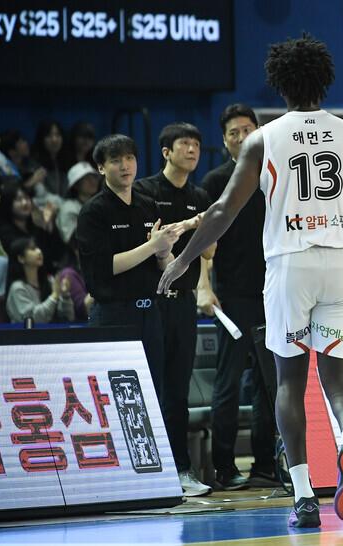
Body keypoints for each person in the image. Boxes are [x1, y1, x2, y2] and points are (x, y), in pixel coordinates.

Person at [158, 35, 343, 528]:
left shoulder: (263, 139)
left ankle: (303, 496)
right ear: (324, 81)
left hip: (291, 265)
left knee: (289, 382)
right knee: (340, 380)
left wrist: (185, 258)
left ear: (279, 85)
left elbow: (222, 211)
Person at [76, 134, 183, 485]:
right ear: (101, 167)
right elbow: (104, 268)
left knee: (152, 394)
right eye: (115, 160)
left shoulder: (148, 205)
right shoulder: (94, 212)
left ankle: (153, 474)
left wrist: (165, 250)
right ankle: (113, 476)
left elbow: (161, 262)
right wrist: (152, 246)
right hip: (113, 315)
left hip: (150, 312)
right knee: (113, 397)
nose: (125, 166)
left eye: (130, 158)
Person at [200, 104, 279, 491]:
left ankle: (265, 464)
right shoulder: (215, 181)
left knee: (269, 383)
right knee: (228, 383)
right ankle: (224, 467)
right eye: (234, 132)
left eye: (248, 129)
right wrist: (204, 285)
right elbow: (204, 240)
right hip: (232, 297)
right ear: (225, 140)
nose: (242, 136)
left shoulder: (275, 174)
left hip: (274, 293)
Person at [133, 122, 214, 497]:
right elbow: (149, 243)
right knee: (150, 386)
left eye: (196, 144)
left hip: (184, 304)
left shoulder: (200, 195)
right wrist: (188, 227)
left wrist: (203, 230)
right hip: (151, 303)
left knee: (178, 391)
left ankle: (181, 469)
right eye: (185, 144)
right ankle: (146, 470)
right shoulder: (145, 191)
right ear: (166, 151)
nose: (192, 149)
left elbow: (209, 251)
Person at [5, 237, 75, 324]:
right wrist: (54, 296)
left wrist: (65, 296)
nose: (39, 251)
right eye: (33, 249)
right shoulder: (17, 288)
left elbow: (69, 317)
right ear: (21, 258)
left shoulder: (49, 282)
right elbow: (32, 320)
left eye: (38, 248)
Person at [56, 161, 102, 244]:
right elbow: (74, 242)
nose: (92, 181)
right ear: (76, 185)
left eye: (94, 177)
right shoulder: (68, 208)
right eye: (86, 179)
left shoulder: (100, 204)